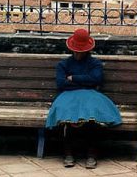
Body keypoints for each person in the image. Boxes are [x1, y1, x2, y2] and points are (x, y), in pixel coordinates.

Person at [46, 28, 122, 169]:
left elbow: (96, 79)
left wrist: (73, 78)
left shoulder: (95, 63)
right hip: (69, 96)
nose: (78, 53)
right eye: (76, 50)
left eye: (81, 51)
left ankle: (92, 154)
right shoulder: (64, 64)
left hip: (90, 96)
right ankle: (68, 153)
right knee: (67, 117)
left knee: (91, 117)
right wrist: (85, 82)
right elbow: (61, 83)